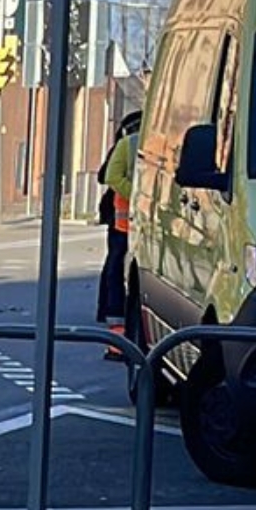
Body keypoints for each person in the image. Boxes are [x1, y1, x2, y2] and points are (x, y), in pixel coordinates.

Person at [97, 110, 142, 357]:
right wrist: (137, 195)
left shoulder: (132, 142)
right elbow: (109, 176)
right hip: (126, 224)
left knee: (117, 269)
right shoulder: (129, 145)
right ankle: (116, 322)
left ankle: (118, 319)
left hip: (134, 224)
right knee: (116, 269)